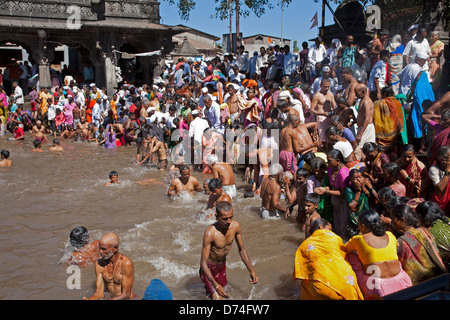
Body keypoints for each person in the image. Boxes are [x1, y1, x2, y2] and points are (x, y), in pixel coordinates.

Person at [344, 210, 412, 298]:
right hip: (402, 280)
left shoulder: (358, 239)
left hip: (376, 286)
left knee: (350, 256)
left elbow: (345, 249)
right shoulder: (390, 235)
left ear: (363, 225)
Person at [199, 201, 258, 300]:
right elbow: (203, 263)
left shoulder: (236, 227)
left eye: (231, 217)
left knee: (226, 295)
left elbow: (242, 250)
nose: (229, 221)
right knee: (217, 298)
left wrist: (251, 271)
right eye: (225, 219)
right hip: (208, 269)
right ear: (216, 216)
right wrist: (216, 285)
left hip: (221, 267)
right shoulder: (210, 233)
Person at [294, 218, 364, 300]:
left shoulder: (304, 244)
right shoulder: (335, 238)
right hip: (346, 285)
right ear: (321, 227)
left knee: (305, 282)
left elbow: (299, 272)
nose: (331, 232)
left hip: (320, 289)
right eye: (330, 229)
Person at [391, 204, 447, 285]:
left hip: (420, 288)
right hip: (440, 279)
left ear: (401, 220)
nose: (392, 222)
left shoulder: (401, 243)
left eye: (393, 219)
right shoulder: (425, 232)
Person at [83, 232, 137, 300]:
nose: (100, 251)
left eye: (103, 249)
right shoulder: (99, 264)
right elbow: (99, 293)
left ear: (115, 248)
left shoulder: (126, 263)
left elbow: (126, 294)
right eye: (99, 248)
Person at [315, 150, 350, 239]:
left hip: (343, 201)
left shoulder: (343, 172)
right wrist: (324, 188)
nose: (327, 162)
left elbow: (343, 192)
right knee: (336, 225)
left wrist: (327, 191)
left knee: (343, 226)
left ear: (338, 161)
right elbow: (331, 184)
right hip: (334, 201)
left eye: (329, 160)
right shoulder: (330, 169)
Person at [416, 201, 450, 270]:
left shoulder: (430, 233)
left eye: (418, 217)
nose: (418, 221)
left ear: (426, 217)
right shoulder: (447, 219)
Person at [373, 87, 406, 158]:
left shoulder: (378, 104)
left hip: (382, 138)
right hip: (395, 135)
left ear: (384, 94)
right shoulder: (397, 102)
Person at [345, 169, 375, 238]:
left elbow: (374, 200)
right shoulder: (349, 190)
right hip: (357, 221)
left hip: (368, 218)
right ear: (350, 179)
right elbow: (352, 207)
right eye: (355, 178)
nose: (359, 180)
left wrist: (364, 189)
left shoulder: (366, 186)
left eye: (360, 177)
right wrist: (358, 192)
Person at [311, 78, 336, 144]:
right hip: (321, 118)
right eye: (325, 87)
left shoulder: (330, 94)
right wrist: (323, 113)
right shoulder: (317, 95)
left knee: (331, 136)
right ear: (320, 85)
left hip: (329, 117)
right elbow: (312, 110)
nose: (327, 88)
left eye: (328, 86)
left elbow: (334, 106)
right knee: (323, 137)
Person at [354, 83, 376, 160]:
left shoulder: (366, 102)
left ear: (363, 91)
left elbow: (367, 118)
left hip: (366, 128)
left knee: (361, 149)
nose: (355, 95)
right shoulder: (362, 100)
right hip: (363, 127)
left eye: (357, 93)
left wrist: (360, 134)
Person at [428, 146, 450, 213]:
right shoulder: (434, 169)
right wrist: (447, 171)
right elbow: (440, 189)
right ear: (442, 160)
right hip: (440, 200)